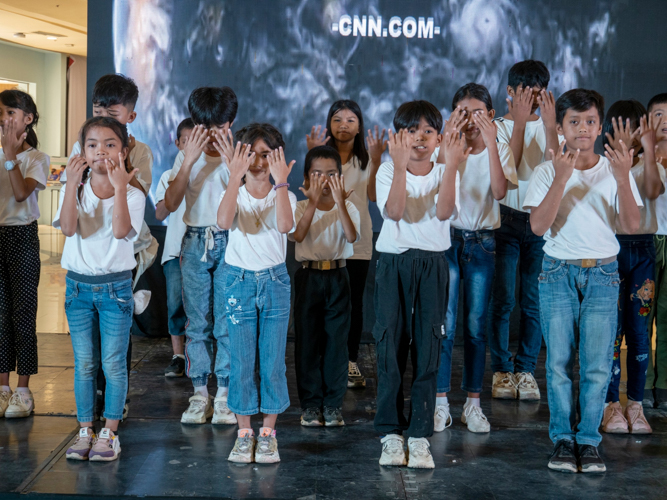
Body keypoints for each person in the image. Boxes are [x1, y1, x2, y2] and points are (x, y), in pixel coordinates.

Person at [524, 89, 642, 473]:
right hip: (558, 272)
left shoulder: (614, 168)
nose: (583, 129)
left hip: (604, 273)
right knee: (558, 362)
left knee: (596, 366)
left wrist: (624, 179)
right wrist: (562, 177)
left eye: (590, 121)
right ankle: (562, 439)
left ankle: (588, 441)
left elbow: (631, 224)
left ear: (600, 125)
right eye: (574, 122)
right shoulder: (547, 171)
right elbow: (539, 226)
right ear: (560, 127)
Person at [373, 100, 459, 469]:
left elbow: (443, 213)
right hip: (394, 263)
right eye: (412, 131)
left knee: (428, 346)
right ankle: (391, 433)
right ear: (398, 136)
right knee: (390, 344)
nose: (420, 138)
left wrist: (452, 164)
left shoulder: (446, 170)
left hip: (433, 265)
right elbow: (393, 212)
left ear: (440, 137)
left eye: (428, 131)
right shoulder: (385, 171)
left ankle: (420, 434)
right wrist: (396, 166)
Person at [64, 73, 155, 421]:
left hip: (121, 255)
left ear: (129, 117)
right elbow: (70, 216)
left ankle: (117, 402)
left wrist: (118, 177)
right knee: (85, 357)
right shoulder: (82, 150)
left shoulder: (138, 153)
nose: (103, 115)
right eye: (98, 107)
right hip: (84, 265)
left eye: (112, 111)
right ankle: (92, 409)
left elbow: (136, 198)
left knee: (116, 348)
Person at [54, 117, 145, 461]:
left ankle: (109, 432)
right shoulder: (75, 187)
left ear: (123, 151)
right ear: (82, 151)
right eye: (92, 144)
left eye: (109, 144)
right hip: (78, 288)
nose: (100, 151)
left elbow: (121, 231)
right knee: (84, 363)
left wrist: (121, 188)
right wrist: (70, 185)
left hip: (115, 290)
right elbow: (67, 227)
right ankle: (84, 430)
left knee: (113, 363)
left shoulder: (132, 194)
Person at [433, 84, 516, 434]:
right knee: (446, 326)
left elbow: (500, 191)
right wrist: (449, 147)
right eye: (462, 112)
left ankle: (472, 403)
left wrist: (492, 142)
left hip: (482, 243)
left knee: (476, 326)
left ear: (491, 115)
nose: (469, 120)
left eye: (478, 112)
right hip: (447, 241)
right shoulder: (442, 146)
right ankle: (439, 403)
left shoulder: (500, 147)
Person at [216, 123, 297, 464]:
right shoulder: (234, 188)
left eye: (267, 154)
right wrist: (234, 177)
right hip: (239, 281)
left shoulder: (286, 194)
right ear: (241, 156)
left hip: (274, 282)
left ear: (278, 157)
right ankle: (244, 431)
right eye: (252, 154)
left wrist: (280, 182)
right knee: (242, 361)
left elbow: (284, 226)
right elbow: (223, 221)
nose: (259, 161)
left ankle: (268, 434)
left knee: (273, 361)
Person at [164, 87, 238, 426]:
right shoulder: (186, 157)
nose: (210, 136)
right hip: (194, 242)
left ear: (230, 123)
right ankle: (199, 394)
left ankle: (223, 394)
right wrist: (189, 160)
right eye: (203, 128)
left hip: (230, 241)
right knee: (197, 323)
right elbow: (172, 201)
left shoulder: (239, 154)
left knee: (225, 322)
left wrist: (231, 165)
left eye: (218, 128)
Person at [487, 60, 559, 401]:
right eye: (522, 94)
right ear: (509, 92)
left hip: (540, 223)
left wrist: (549, 126)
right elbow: (509, 169)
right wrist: (517, 123)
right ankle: (502, 369)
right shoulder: (498, 127)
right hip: (505, 219)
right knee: (502, 299)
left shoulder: (555, 129)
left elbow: (555, 167)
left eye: (536, 95)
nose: (528, 102)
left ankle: (526, 369)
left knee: (532, 302)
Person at [306, 100, 384, 388]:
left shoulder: (366, 160)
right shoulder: (321, 160)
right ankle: (325, 361)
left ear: (360, 126)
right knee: (323, 305)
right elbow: (310, 190)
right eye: (337, 119)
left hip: (357, 243)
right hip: (324, 240)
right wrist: (311, 154)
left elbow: (374, 197)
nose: (343, 125)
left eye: (351, 120)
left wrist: (376, 160)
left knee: (352, 305)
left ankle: (350, 362)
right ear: (329, 124)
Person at [600, 101, 664, 435]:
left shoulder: (649, 163)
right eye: (620, 128)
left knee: (640, 333)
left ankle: (635, 405)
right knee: (611, 333)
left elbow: (654, 190)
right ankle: (611, 405)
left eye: (634, 128)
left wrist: (648, 149)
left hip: (643, 251)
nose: (629, 135)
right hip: (611, 250)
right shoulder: (602, 166)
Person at [291, 145, 360, 427]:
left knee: (336, 344)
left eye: (331, 174)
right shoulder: (298, 206)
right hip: (309, 276)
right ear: (307, 178)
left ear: (340, 178)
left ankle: (332, 405)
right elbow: (298, 235)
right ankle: (310, 405)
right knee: (307, 342)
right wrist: (311, 202)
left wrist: (341, 203)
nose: (324, 180)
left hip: (338, 277)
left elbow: (351, 236)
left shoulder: (349, 206)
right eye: (317, 174)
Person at [0, 90, 48, 419]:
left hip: (23, 237)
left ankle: (23, 390)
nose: (3, 119)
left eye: (9, 113)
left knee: (23, 315)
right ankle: (2, 389)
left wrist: (9, 155)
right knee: (0, 316)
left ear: (27, 119)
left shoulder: (36, 158)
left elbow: (19, 194)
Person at [155, 118, 194, 377]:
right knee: (175, 304)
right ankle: (178, 355)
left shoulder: (210, 172)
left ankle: (202, 355)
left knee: (204, 307)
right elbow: (160, 213)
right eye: (186, 140)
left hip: (205, 250)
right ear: (178, 142)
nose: (191, 146)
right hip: (175, 250)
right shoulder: (168, 176)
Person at [646, 93, 667, 409]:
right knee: (641, 316)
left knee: (666, 315)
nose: (664, 122)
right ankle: (643, 382)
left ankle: (663, 386)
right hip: (645, 242)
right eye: (659, 115)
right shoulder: (635, 157)